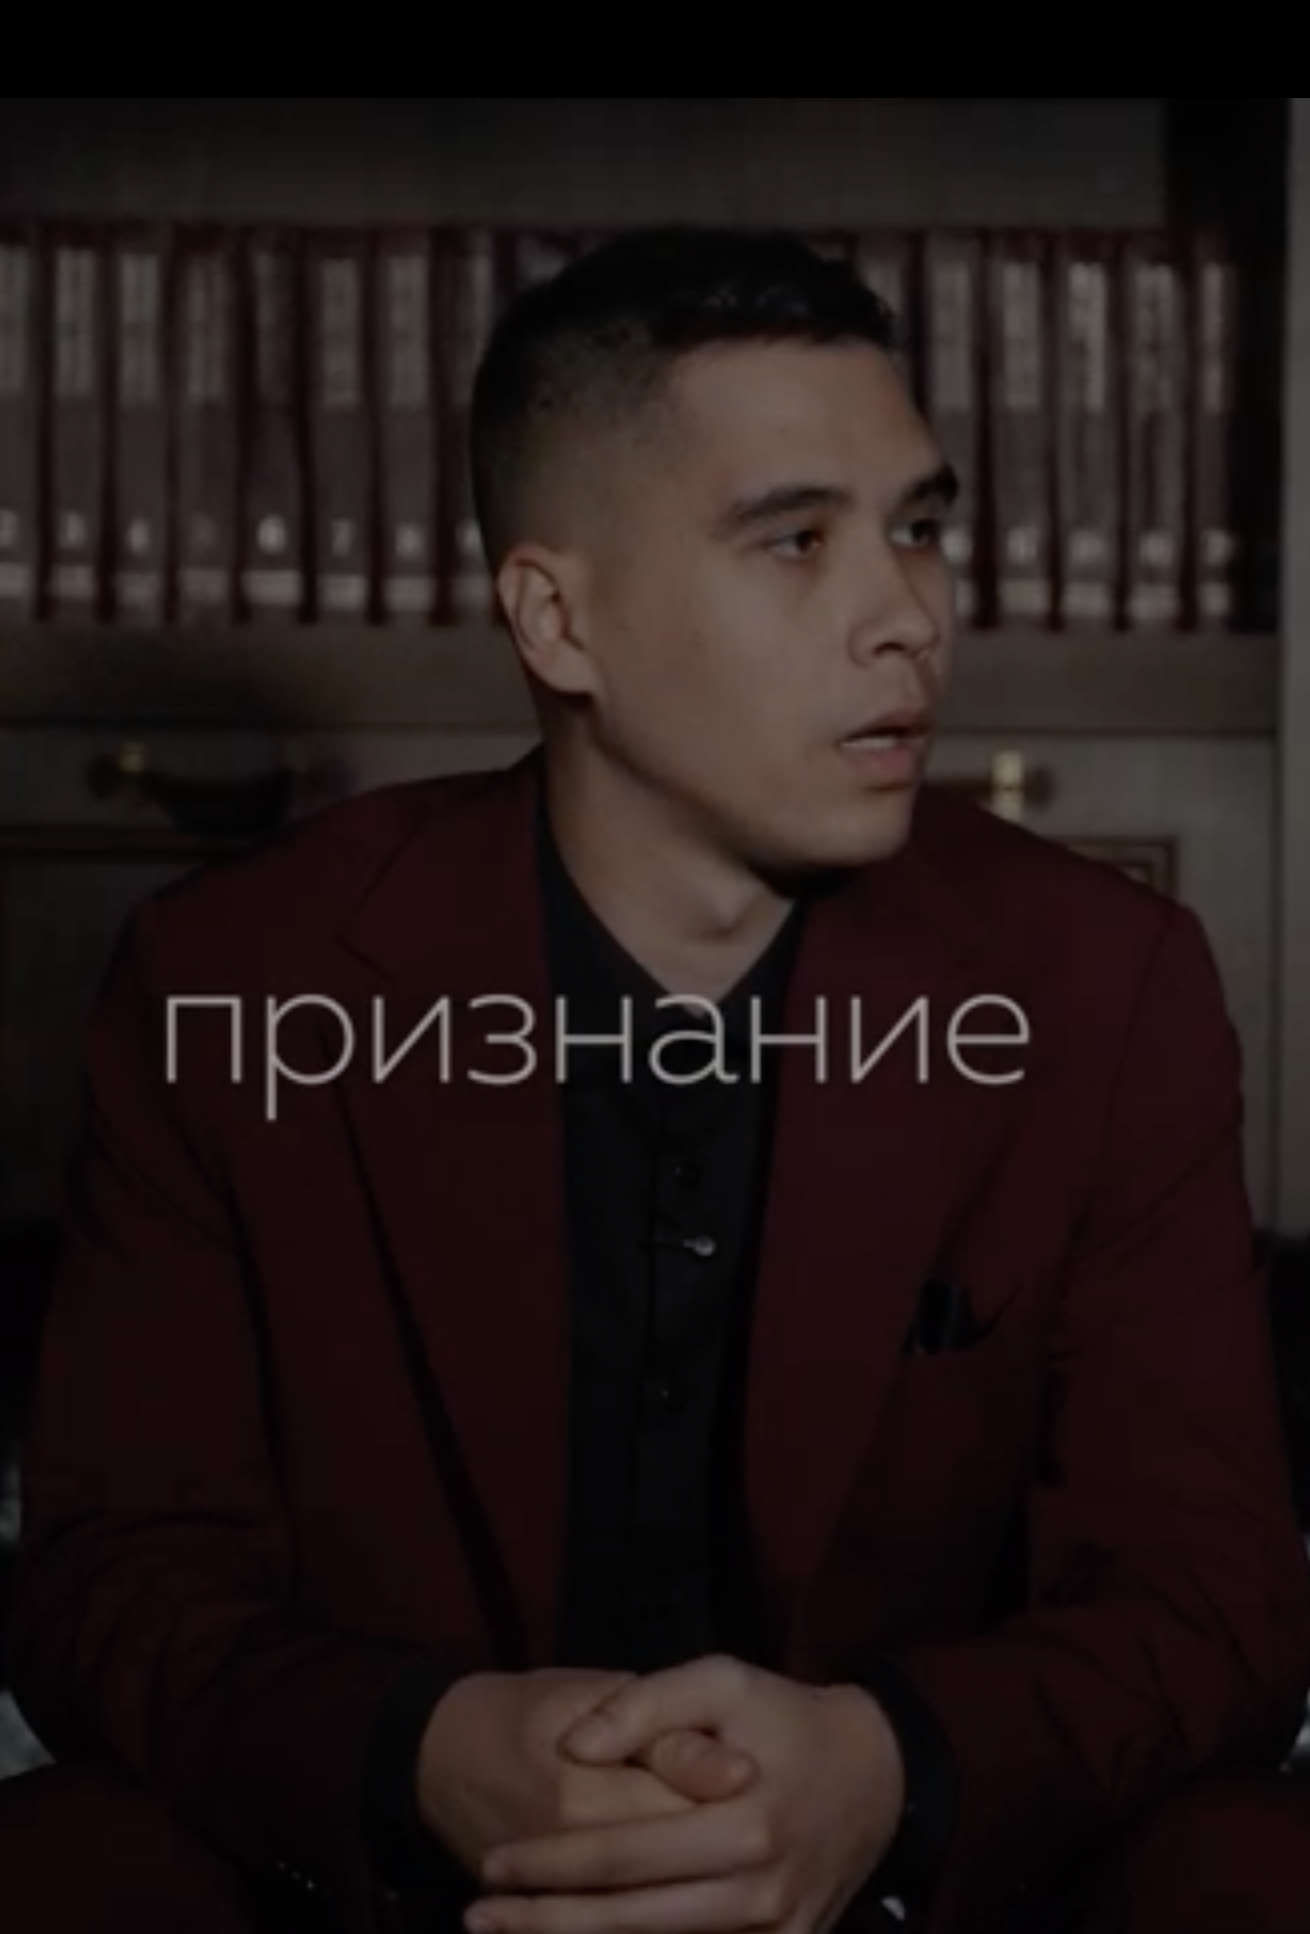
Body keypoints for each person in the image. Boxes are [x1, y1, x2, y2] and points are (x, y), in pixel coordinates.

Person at [3, 226, 1310, 1934]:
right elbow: (110, 1576)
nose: (908, 616)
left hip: (907, 1898)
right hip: (405, 1895)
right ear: (559, 618)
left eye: (918, 527)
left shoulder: (1099, 981)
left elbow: (1211, 1593)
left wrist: (885, 1770)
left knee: (1255, 1868)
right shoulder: (234, 977)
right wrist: (424, 1750)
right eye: (795, 540)